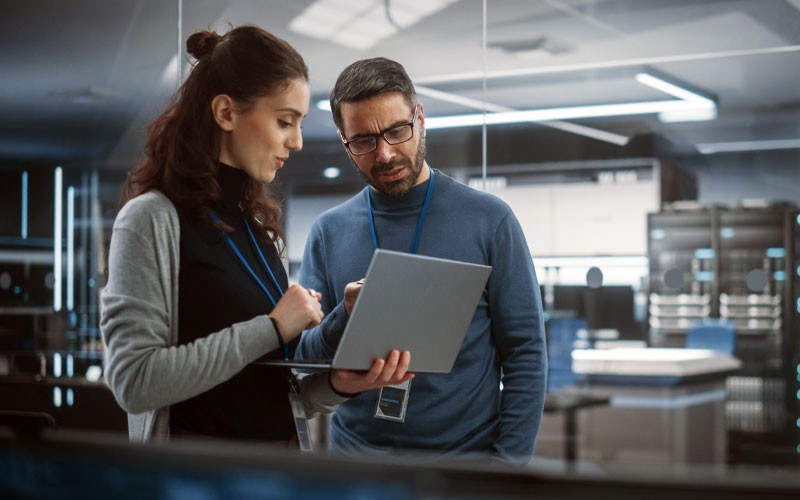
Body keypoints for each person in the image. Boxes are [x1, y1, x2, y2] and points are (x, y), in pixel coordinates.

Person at [100, 27, 412, 446]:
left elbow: (275, 392)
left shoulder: (260, 231)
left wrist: (339, 383)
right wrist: (271, 327)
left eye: (299, 124)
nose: (297, 141)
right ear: (226, 113)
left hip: (275, 475)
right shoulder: (150, 220)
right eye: (285, 121)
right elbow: (133, 382)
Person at [296, 57, 547, 464]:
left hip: (465, 468)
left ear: (420, 118)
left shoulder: (489, 220)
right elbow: (306, 358)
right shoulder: (329, 232)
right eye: (363, 141)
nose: (385, 153)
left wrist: (507, 466)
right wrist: (345, 315)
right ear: (344, 142)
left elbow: (525, 352)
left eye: (397, 130)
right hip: (358, 469)